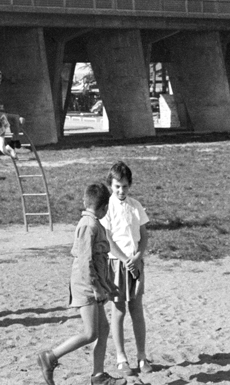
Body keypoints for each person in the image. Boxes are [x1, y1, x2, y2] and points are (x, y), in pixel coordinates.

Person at [37, 181, 121, 385]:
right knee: (90, 333)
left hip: (94, 285)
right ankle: (50, 357)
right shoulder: (89, 226)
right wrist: (96, 288)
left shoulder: (94, 224)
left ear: (85, 201)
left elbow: (98, 260)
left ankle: (99, 376)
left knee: (103, 329)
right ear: (104, 208)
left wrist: (107, 285)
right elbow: (85, 262)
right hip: (86, 286)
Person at [101, 160, 151, 377]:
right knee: (119, 310)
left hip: (135, 264)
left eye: (125, 186)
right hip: (116, 264)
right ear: (111, 185)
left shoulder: (136, 206)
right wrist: (122, 259)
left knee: (137, 309)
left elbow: (144, 236)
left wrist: (138, 257)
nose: (121, 190)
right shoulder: (107, 208)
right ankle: (121, 357)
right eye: (117, 186)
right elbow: (109, 239)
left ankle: (142, 356)